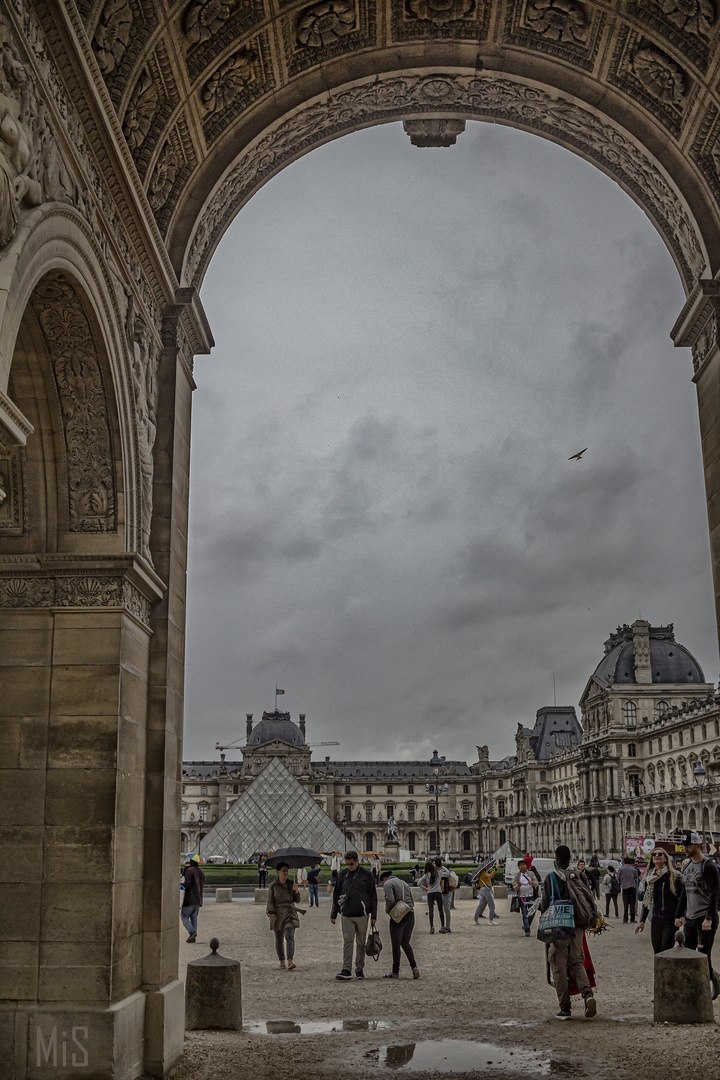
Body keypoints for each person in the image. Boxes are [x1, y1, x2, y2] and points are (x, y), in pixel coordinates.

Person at [539, 845, 597, 1020]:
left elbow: (545, 906)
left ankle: (565, 1008)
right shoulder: (579, 875)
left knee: (558, 964)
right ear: (570, 858)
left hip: (560, 925)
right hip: (578, 925)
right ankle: (588, 996)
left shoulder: (552, 878)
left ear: (557, 860)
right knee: (577, 962)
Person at [674, 830, 720, 999]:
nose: (685, 848)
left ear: (697, 845)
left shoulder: (708, 866)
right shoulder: (686, 866)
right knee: (687, 953)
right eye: (684, 845)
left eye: (688, 845)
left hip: (704, 917)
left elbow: (715, 893)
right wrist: (679, 914)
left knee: (703, 955)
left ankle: (705, 987)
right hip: (691, 918)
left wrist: (709, 917)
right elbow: (685, 893)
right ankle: (707, 980)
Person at [331, 850, 378, 980]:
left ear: (357, 861)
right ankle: (346, 969)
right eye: (347, 864)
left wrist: (374, 916)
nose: (349, 866)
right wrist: (334, 912)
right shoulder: (343, 875)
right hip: (346, 913)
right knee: (348, 941)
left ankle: (359, 970)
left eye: (351, 864)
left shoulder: (367, 875)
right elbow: (337, 894)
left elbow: (373, 896)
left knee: (361, 943)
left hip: (362, 914)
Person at [636, 847, 682, 954]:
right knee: (657, 951)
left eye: (660, 854)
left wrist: (680, 916)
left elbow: (682, 898)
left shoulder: (674, 876)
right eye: (654, 854)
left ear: (666, 858)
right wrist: (642, 921)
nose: (656, 856)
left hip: (670, 919)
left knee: (666, 949)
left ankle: (667, 971)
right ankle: (658, 971)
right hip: (656, 918)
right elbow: (646, 902)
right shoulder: (649, 877)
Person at [380, 868, 419, 979]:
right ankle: (414, 967)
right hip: (410, 913)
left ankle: (395, 971)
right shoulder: (404, 883)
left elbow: (390, 899)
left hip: (399, 915)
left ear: (384, 879)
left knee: (396, 945)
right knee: (405, 943)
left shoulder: (388, 883)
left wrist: (388, 911)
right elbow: (411, 900)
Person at [266, 862, 302, 970]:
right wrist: (270, 911)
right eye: (283, 870)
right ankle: (281, 960)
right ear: (278, 871)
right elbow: (270, 900)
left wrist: (296, 892)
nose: (285, 872)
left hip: (290, 913)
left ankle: (290, 960)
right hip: (277, 914)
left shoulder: (292, 884)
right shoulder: (273, 885)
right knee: (279, 938)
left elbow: (297, 900)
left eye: (287, 870)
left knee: (289, 935)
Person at [416, 858, 448, 933]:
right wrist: (443, 867)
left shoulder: (426, 875)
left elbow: (419, 883)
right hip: (438, 892)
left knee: (431, 910)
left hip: (430, 893)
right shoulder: (438, 873)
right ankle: (442, 926)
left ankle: (432, 927)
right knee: (440, 910)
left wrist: (426, 888)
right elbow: (448, 873)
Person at [180, 854, 204, 943]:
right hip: (198, 899)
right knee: (194, 917)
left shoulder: (190, 871)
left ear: (191, 862)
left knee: (184, 916)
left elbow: (187, 884)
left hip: (190, 899)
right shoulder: (201, 872)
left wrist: (180, 884)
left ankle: (192, 932)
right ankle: (193, 938)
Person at [513, 859, 535, 936]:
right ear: (519, 867)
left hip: (531, 896)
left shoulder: (531, 874)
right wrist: (517, 886)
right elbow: (514, 887)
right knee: (525, 913)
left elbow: (537, 883)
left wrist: (532, 883)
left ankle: (526, 926)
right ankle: (527, 931)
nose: (523, 866)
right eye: (521, 865)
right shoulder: (517, 875)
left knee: (532, 913)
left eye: (524, 865)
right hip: (522, 897)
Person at [434, 857, 454, 933]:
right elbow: (448, 873)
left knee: (445, 909)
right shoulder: (442, 871)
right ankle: (446, 926)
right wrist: (443, 867)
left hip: (444, 892)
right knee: (446, 909)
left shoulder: (439, 872)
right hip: (448, 891)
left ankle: (447, 927)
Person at [617, 857, 639, 923]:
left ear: (623, 862)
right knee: (632, 904)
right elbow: (636, 878)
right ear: (630, 862)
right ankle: (632, 919)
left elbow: (617, 879)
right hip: (632, 888)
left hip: (624, 888)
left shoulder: (621, 869)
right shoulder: (633, 869)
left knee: (625, 904)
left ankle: (625, 919)